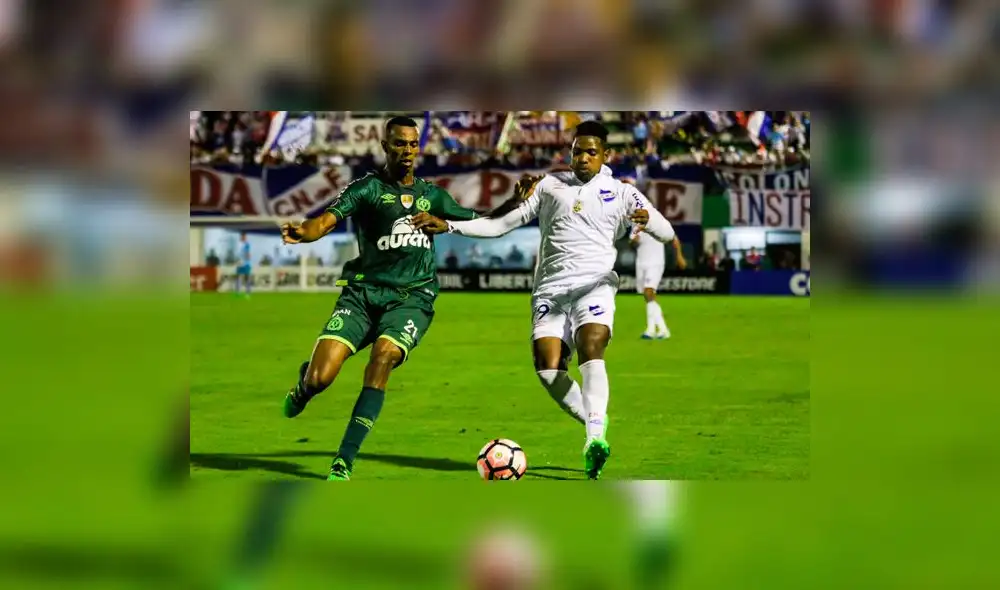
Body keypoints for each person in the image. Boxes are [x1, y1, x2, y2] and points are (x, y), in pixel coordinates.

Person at [412, 121, 677, 480]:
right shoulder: (549, 186)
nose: (582, 158)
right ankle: (595, 418)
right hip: (550, 290)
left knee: (591, 344)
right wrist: (449, 226)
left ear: (606, 156)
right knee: (549, 368)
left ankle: (594, 439)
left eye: (591, 152)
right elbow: (500, 225)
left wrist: (649, 221)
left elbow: (666, 231)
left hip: (594, 284)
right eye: (577, 151)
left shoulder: (623, 193)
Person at [278, 116, 533, 481]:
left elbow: (481, 220)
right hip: (363, 294)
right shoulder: (366, 189)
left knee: (382, 358)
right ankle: (304, 387)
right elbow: (326, 221)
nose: (408, 151)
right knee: (321, 379)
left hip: (412, 298)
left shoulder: (434, 196)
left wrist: (513, 201)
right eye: (400, 144)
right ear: (385, 146)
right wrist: (304, 231)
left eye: (413, 144)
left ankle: (343, 460)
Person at [630, 230, 686, 339]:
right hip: (641, 264)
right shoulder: (636, 225)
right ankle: (660, 330)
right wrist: (633, 241)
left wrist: (679, 256)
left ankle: (653, 330)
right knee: (648, 296)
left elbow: (674, 239)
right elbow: (632, 244)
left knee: (649, 292)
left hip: (655, 263)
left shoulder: (659, 223)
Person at [235, 233, 252, 298]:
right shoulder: (238, 244)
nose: (244, 238)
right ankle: (238, 291)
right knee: (238, 276)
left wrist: (247, 257)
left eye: (244, 237)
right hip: (239, 263)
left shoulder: (247, 244)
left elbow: (248, 254)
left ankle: (247, 292)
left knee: (246, 277)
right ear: (241, 237)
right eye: (243, 237)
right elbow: (237, 254)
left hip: (246, 263)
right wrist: (238, 261)